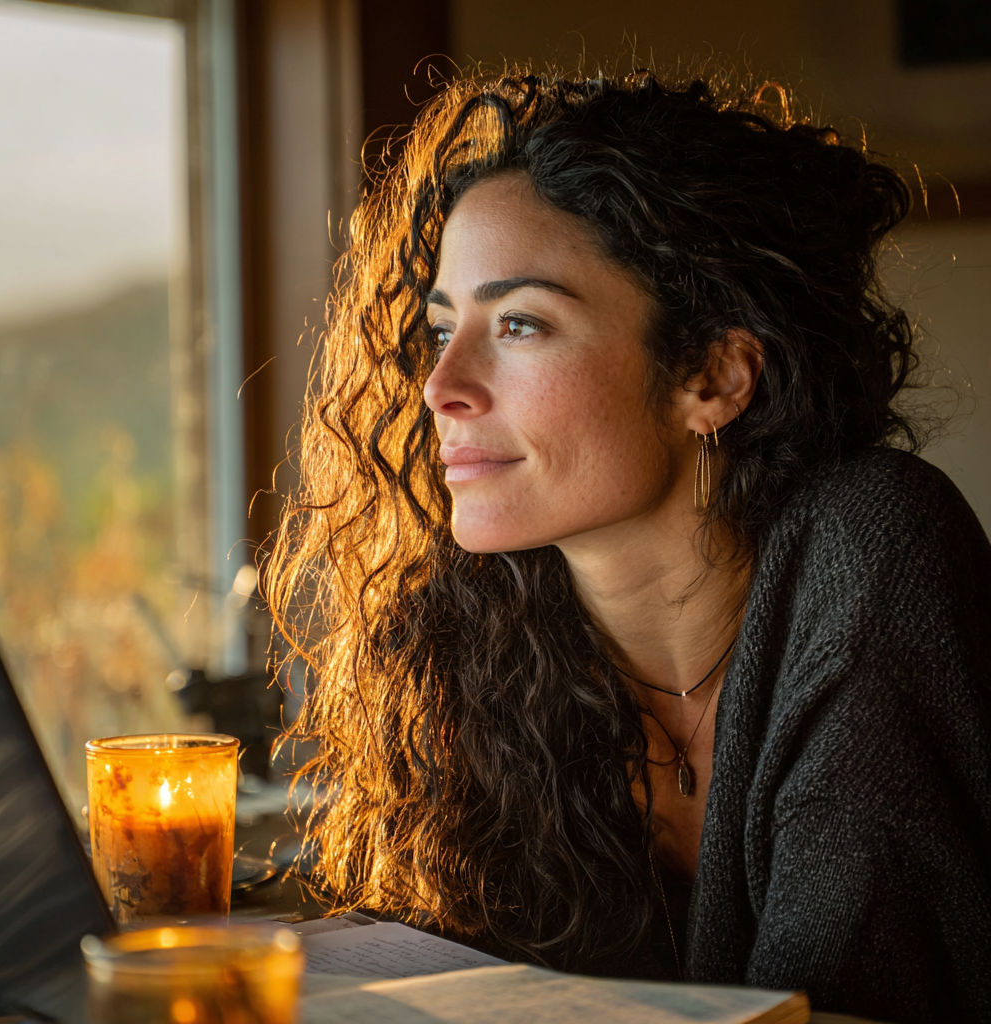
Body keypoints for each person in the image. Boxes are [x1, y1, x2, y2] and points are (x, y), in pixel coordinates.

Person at [264, 66, 991, 1023]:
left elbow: (846, 1003)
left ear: (714, 376)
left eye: (519, 323)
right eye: (442, 329)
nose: (442, 386)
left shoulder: (873, 545)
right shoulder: (480, 642)